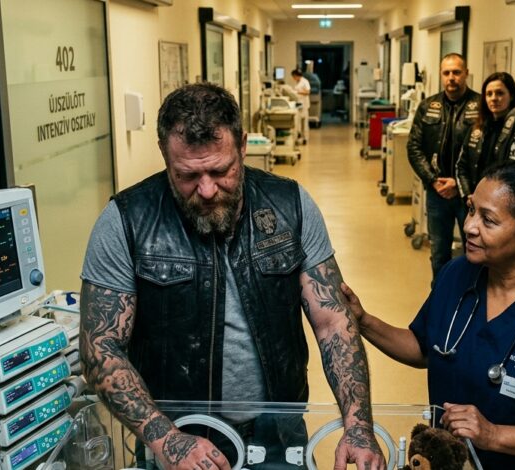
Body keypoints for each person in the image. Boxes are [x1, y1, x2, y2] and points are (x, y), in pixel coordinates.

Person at [79, 83, 385, 470]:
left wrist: (358, 426)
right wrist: (167, 441)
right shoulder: (126, 221)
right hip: (178, 436)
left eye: (220, 171)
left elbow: (334, 323)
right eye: (188, 175)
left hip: (277, 435)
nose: (207, 190)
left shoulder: (290, 206)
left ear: (242, 145)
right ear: (164, 153)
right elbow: (100, 347)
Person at [342, 161, 515, 469]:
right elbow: (424, 348)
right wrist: (363, 321)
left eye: (488, 220)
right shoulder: (457, 274)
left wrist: (494, 435)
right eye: (471, 209)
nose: (469, 226)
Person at [407, 53, 480, 280]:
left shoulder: (480, 106)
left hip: (470, 194)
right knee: (439, 253)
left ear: (466, 73)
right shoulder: (428, 106)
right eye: (446, 73)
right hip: (437, 192)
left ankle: (471, 292)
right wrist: (432, 180)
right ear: (441, 75)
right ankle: (441, 293)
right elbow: (414, 147)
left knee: (474, 251)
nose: (451, 77)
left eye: (456, 72)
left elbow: (486, 153)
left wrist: (459, 184)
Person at [455, 72, 515, 201]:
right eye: (489, 94)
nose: (494, 98)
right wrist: (467, 195)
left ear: (511, 96)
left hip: (503, 201)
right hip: (474, 198)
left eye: (500, 93)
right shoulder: (477, 128)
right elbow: (461, 166)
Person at [291, 68, 311, 145]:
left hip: (304, 105)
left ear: (296, 75)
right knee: (298, 122)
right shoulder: (297, 82)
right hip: (298, 104)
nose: (293, 78)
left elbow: (307, 92)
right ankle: (298, 137)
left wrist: (297, 92)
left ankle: (305, 138)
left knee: (304, 123)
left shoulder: (305, 81)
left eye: (294, 76)